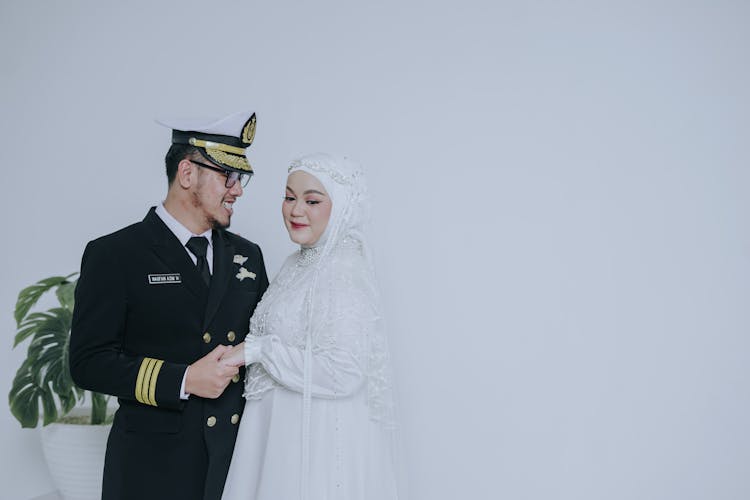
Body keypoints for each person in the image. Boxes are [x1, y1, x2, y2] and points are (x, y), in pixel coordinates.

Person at [69, 111, 269, 500]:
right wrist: (182, 380)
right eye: (227, 176)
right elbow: (88, 362)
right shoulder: (116, 254)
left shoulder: (249, 255)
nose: (237, 190)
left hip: (234, 466)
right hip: (152, 470)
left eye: (240, 178)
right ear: (187, 173)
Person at [219, 153, 399, 500]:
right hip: (275, 436)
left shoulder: (343, 272)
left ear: (343, 206)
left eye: (312, 200)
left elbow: (344, 373)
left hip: (313, 444)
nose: (295, 210)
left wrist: (257, 350)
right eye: (289, 197)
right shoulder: (297, 263)